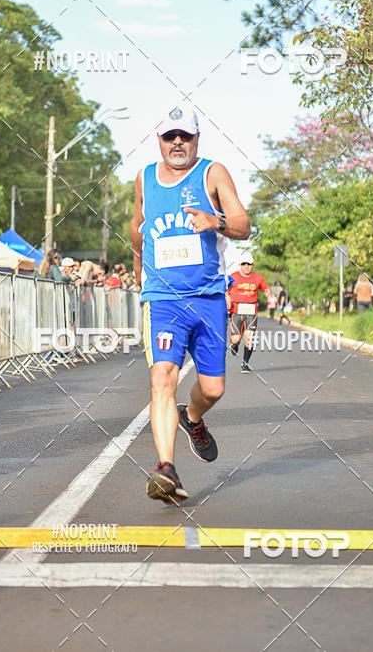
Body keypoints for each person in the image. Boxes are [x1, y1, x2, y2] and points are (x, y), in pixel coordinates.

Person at [130, 104, 250, 504]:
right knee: (161, 376)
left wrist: (214, 221)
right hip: (163, 299)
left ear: (197, 139)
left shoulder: (213, 173)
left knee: (213, 388)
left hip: (209, 298)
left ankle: (192, 417)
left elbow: (244, 226)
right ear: (159, 140)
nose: (177, 142)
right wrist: (140, 278)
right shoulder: (145, 179)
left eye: (185, 136)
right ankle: (166, 468)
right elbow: (137, 231)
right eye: (170, 136)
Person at [227, 253, 272, 372]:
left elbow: (266, 288)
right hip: (236, 311)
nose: (246, 266)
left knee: (249, 338)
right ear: (240, 265)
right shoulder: (233, 277)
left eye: (249, 264)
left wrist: (268, 293)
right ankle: (235, 345)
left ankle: (245, 363)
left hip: (251, 312)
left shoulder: (258, 277)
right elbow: (224, 290)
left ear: (253, 265)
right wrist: (227, 298)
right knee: (236, 339)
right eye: (244, 264)